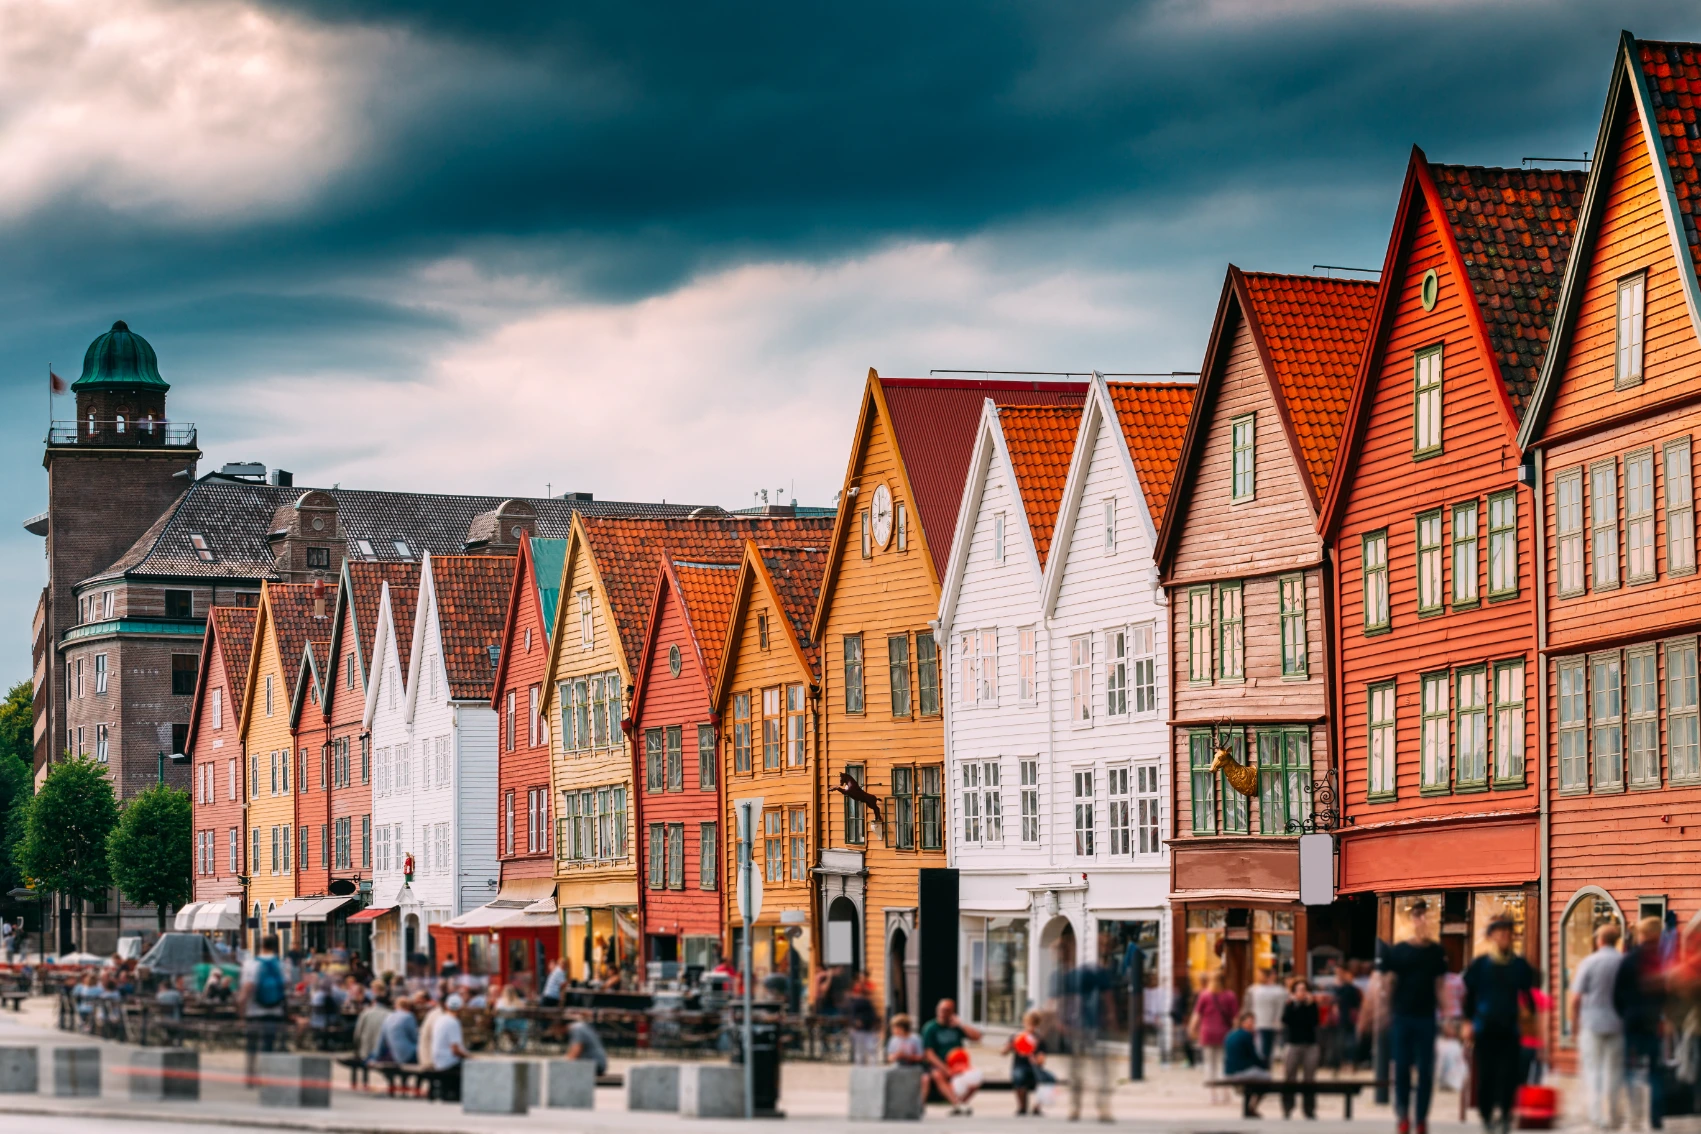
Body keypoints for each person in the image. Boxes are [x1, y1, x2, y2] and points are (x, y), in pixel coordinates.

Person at [1463, 915, 1536, 1134]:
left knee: (1509, 1075)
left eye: (1509, 932)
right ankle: (1486, 1115)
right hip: (1485, 1028)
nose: (1505, 936)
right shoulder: (1480, 965)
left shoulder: (1520, 965)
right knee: (1486, 1075)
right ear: (1492, 936)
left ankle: (1505, 1114)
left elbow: (1527, 995)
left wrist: (1530, 1013)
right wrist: (1467, 1023)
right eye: (1501, 932)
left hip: (1510, 1028)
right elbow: (1469, 996)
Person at [1385, 900, 1450, 1134]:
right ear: (1412, 920)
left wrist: (1449, 1017)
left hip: (1426, 1018)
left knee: (1426, 1070)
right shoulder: (1399, 951)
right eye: (1418, 916)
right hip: (1402, 1017)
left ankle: (1421, 1118)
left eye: (1426, 916)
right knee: (1401, 1067)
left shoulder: (1436, 952)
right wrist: (1383, 1012)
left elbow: (1441, 986)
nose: (1422, 920)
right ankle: (1403, 1115)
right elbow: (1390, 982)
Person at [1570, 921, 1626, 1131]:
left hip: (1592, 1023)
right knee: (1614, 1072)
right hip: (1617, 1023)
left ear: (1599, 940)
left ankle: (1596, 1117)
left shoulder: (1589, 962)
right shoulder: (1623, 962)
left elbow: (1575, 998)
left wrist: (1574, 1025)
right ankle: (1613, 1115)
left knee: (1593, 1071)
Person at [1615, 916, 1669, 1132]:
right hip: (1653, 1021)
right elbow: (1665, 993)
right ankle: (1655, 1117)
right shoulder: (1659, 960)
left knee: (1629, 1069)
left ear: (1642, 934)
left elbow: (1617, 993)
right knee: (1655, 1071)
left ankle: (1634, 1112)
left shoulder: (1629, 960)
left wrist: (1624, 1013)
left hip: (1632, 1021)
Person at [1056, 948, 1113, 1123]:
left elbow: (1062, 1001)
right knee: (1095, 1070)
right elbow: (1108, 1000)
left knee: (1081, 1069)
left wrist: (1061, 1021)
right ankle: (1098, 1108)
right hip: (1088, 1028)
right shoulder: (1077, 975)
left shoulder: (1073, 975)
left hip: (1085, 1028)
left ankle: (1079, 1107)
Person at [238, 933, 289, 1088]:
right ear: (275, 947)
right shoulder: (281, 965)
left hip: (254, 1012)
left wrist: (241, 1010)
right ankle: (267, 1076)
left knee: (251, 1046)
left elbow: (247, 988)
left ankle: (251, 1076)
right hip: (274, 1011)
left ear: (261, 945)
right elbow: (285, 987)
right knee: (269, 1045)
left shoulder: (251, 964)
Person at [920, 997, 983, 1114]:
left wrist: (961, 1025)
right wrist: (946, 1069)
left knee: (976, 1076)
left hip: (959, 1064)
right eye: (941, 1009)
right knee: (937, 1075)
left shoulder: (956, 1027)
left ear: (952, 1012)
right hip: (940, 1064)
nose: (943, 1013)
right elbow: (929, 1054)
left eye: (947, 1010)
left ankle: (961, 1103)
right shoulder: (930, 1028)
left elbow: (977, 1037)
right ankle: (957, 1104)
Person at [1191, 971, 1238, 1103]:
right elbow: (1235, 1018)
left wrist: (1192, 1030)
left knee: (1209, 1064)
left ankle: (1213, 1095)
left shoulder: (1205, 995)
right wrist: (1235, 1033)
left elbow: (1197, 1016)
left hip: (1207, 1033)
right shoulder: (1230, 996)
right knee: (1224, 1064)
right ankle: (1225, 1093)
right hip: (1225, 1034)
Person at [1281, 978, 1322, 1119]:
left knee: (1309, 1078)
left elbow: (1315, 1021)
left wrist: (1310, 1005)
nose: (1302, 993)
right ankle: (1288, 1107)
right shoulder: (1290, 1005)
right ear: (1294, 992)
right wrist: (1294, 1005)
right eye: (1299, 990)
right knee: (1289, 1076)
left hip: (1310, 1044)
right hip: (1293, 1043)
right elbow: (1286, 1020)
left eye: (1304, 990)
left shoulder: (1312, 1005)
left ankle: (1309, 1109)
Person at [1002, 1010, 1052, 1116]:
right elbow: (1003, 1052)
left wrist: (1034, 1057)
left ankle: (1036, 1107)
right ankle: (1022, 1107)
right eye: (1028, 1024)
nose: (1030, 1027)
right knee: (1018, 1075)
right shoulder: (1016, 1036)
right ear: (1024, 1023)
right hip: (1020, 1066)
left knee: (1049, 1079)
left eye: (1034, 1024)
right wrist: (1011, 1046)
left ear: (1037, 1025)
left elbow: (1041, 1061)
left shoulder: (1039, 1039)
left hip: (1034, 1068)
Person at [1223, 1011, 1272, 1115]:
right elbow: (1254, 1057)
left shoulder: (1230, 1034)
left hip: (1229, 1072)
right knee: (1267, 1078)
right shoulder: (1246, 1035)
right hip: (1241, 1072)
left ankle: (1248, 1109)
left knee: (1254, 1079)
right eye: (1249, 1022)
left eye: (1253, 1022)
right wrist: (1264, 1066)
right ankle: (1251, 1108)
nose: (1252, 1025)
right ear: (1242, 1023)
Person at [430, 993, 468, 1102]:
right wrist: (470, 1057)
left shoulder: (440, 1019)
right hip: (448, 1062)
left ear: (447, 1006)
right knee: (474, 1067)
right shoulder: (453, 1022)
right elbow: (455, 1050)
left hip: (437, 1060)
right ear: (461, 1007)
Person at [1248, 968, 1288, 1065]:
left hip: (1271, 1024)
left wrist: (1278, 1020)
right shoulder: (1253, 990)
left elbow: (1281, 1008)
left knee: (1268, 1050)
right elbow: (1249, 1007)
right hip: (1256, 1023)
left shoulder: (1279, 991)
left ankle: (1265, 1069)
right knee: (1260, 1049)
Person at [845, 973, 880, 1066]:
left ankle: (872, 1068)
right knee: (860, 1051)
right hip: (859, 1029)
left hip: (868, 1028)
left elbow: (873, 1013)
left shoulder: (867, 1001)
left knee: (871, 1049)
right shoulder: (854, 1002)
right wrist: (855, 1022)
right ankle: (860, 1068)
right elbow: (852, 1014)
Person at [378, 996, 419, 1065]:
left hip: (395, 1055)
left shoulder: (388, 1017)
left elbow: (382, 1040)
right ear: (409, 1006)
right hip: (409, 1054)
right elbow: (415, 1038)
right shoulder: (409, 1016)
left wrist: (377, 1056)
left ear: (396, 1006)